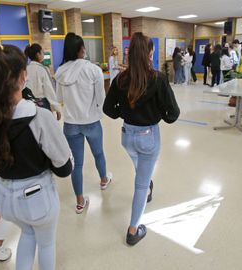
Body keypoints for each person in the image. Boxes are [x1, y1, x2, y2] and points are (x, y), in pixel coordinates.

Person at [0, 44, 73, 270]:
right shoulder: (40, 117)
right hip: (38, 200)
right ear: (22, 77)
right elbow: (64, 167)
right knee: (46, 245)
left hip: (6, 200)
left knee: (27, 235)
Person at [103, 32, 180, 246]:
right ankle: (133, 230)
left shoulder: (120, 79)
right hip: (148, 137)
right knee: (140, 185)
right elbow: (173, 114)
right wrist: (158, 115)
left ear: (130, 54)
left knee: (139, 164)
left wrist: (124, 114)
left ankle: (146, 182)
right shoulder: (158, 79)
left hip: (127, 136)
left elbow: (108, 109)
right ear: (149, 53)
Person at [55, 32, 112, 214]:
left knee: (76, 164)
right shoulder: (93, 69)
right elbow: (100, 99)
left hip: (70, 124)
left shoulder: (60, 72)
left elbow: (58, 98)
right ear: (81, 49)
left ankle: (80, 201)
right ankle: (104, 180)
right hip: (91, 122)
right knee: (98, 154)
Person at [24, 43, 61, 120]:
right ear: (38, 54)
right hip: (42, 104)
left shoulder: (26, 69)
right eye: (42, 52)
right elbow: (49, 90)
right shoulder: (43, 69)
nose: (43, 54)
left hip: (29, 105)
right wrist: (57, 108)